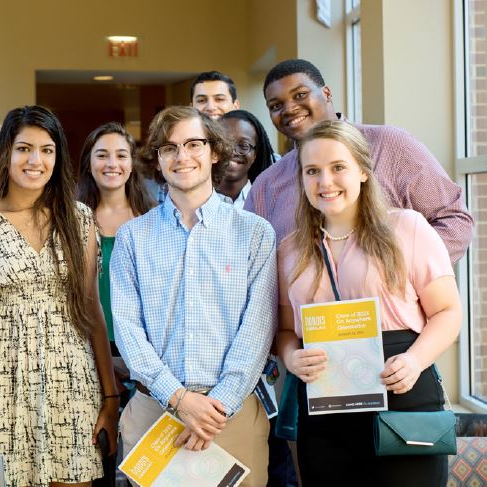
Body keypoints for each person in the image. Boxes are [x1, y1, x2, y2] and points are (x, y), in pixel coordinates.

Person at [276, 120, 461, 487]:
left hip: (402, 391)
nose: (325, 182)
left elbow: (448, 313)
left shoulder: (408, 228)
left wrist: (414, 360)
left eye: (338, 168)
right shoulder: (290, 249)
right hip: (325, 406)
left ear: (362, 170)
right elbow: (283, 330)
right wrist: (291, 357)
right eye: (312, 171)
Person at [111, 106, 276, 487]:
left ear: (215, 151)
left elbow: (258, 328)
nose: (181, 156)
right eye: (169, 148)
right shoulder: (132, 238)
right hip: (155, 412)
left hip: (231, 416)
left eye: (194, 144)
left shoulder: (254, 233)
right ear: (158, 158)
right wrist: (181, 400)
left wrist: (215, 410)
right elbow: (128, 330)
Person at [0, 105, 118, 487]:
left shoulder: (78, 218)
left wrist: (110, 399)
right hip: (0, 382)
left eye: (47, 150)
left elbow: (93, 310)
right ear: (6, 154)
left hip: (72, 381)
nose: (36, 160)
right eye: (24, 148)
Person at [245, 58, 473, 264]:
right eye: (276, 106)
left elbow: (454, 220)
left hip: (392, 305)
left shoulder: (390, 145)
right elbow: (253, 263)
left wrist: (404, 273)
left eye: (300, 95)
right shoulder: (266, 186)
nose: (290, 109)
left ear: (326, 93)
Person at [76, 122, 153, 355]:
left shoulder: (153, 219)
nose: (112, 164)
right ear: (89, 164)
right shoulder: (71, 220)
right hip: (84, 346)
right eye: (102, 155)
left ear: (132, 164)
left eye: (121, 155)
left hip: (142, 347)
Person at [216, 110, 276, 208]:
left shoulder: (270, 203)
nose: (232, 151)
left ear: (255, 154)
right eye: (225, 142)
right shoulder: (197, 201)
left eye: (243, 146)